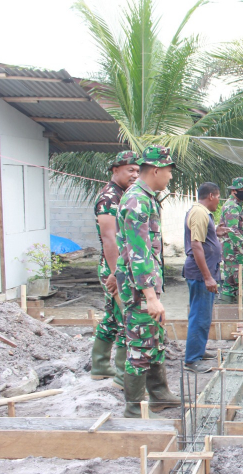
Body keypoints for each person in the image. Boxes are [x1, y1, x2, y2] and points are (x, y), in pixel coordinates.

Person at [116, 145, 180, 418]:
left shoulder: (146, 197)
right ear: (156, 170)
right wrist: (150, 296)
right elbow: (138, 252)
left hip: (144, 286)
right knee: (141, 345)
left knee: (154, 339)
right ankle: (133, 408)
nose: (170, 177)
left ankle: (159, 395)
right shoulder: (138, 201)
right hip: (139, 289)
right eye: (168, 171)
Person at [91, 150, 140, 388]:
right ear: (115, 170)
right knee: (125, 319)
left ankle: (100, 365)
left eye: (137, 171)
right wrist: (115, 273)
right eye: (130, 170)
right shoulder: (110, 198)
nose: (134, 174)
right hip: (114, 267)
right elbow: (109, 238)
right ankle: (123, 376)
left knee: (112, 316)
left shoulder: (124, 194)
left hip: (118, 266)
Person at [182, 182, 227, 374]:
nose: (218, 202)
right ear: (211, 196)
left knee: (203, 315)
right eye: (218, 197)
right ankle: (192, 360)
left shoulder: (201, 213)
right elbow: (196, 245)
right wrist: (208, 277)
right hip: (201, 274)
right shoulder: (200, 213)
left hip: (204, 272)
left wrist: (215, 234)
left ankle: (198, 351)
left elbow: (202, 239)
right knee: (199, 316)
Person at [218, 177, 243, 301]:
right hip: (235, 251)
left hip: (232, 251)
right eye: (242, 189)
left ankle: (227, 315)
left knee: (230, 283)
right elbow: (233, 232)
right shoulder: (232, 207)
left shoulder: (236, 206)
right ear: (234, 190)